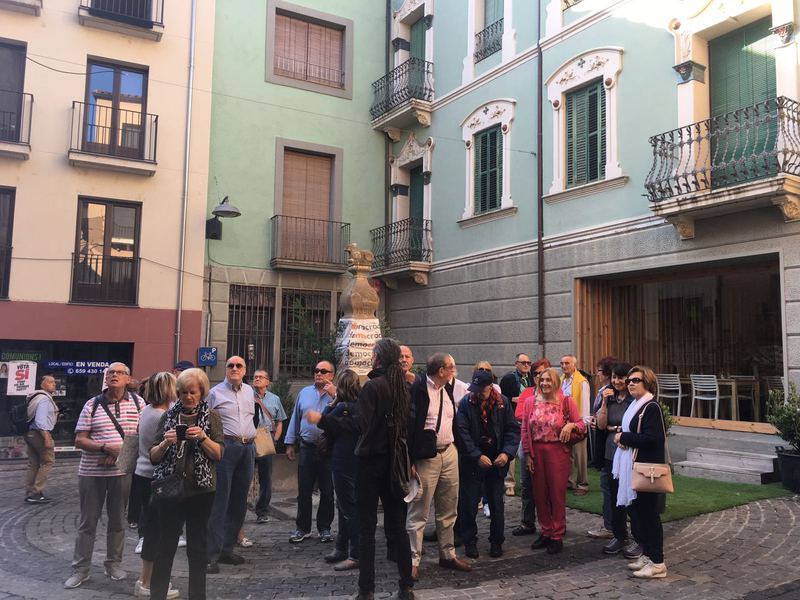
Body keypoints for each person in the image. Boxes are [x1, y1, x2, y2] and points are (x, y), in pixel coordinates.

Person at [64, 362, 142, 589]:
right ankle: (81, 569)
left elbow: (142, 436)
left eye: (119, 372)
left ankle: (113, 564)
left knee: (118, 520)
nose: (114, 375)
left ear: (128, 379)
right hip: (91, 472)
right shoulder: (92, 404)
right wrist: (105, 448)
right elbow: (80, 440)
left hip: (121, 471)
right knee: (87, 522)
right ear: (106, 379)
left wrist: (119, 454)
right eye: (110, 373)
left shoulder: (139, 403)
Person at [150, 368, 224, 599]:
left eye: (193, 392)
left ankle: (197, 596)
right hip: (170, 490)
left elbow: (218, 454)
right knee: (165, 545)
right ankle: (157, 595)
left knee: (197, 548)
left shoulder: (211, 417)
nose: (188, 397)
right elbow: (153, 457)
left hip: (201, 491)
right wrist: (165, 443)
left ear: (201, 392)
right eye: (183, 392)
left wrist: (203, 438)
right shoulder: (168, 417)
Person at [353, 338, 415, 600]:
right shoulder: (403, 386)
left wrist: (328, 420)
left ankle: (366, 590)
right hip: (395, 462)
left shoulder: (373, 387)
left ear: (378, 358)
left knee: (366, 529)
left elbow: (360, 425)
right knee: (398, 526)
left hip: (371, 463)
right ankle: (406, 586)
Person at [407, 353, 472, 580]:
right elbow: (408, 427)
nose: (454, 370)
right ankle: (412, 560)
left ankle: (447, 555)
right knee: (419, 510)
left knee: (448, 508)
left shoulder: (448, 388)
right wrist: (409, 460)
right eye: (451, 367)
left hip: (449, 452)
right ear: (441, 370)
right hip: (426, 457)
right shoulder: (418, 390)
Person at [522, 367, 585, 554]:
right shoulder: (530, 402)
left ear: (556, 382)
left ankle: (557, 534)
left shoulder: (566, 401)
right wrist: (528, 454)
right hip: (536, 451)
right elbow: (525, 429)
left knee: (556, 494)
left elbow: (581, 425)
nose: (544, 383)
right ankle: (546, 530)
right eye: (542, 380)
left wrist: (571, 425)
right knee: (539, 493)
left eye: (548, 380)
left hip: (558, 452)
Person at [456, 369, 519, 559]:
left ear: (491, 387)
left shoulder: (502, 403)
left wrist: (506, 453)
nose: (477, 393)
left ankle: (497, 541)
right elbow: (462, 432)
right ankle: (469, 541)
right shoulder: (466, 403)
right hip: (473, 462)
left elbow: (512, 430)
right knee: (468, 504)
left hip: (496, 460)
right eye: (475, 389)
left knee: (496, 504)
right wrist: (476, 455)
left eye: (481, 389)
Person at [613, 365, 668, 579]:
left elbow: (654, 439)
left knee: (649, 516)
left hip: (646, 470)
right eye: (629, 380)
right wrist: (623, 436)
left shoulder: (651, 407)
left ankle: (658, 563)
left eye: (636, 380)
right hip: (634, 467)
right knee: (640, 515)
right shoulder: (636, 405)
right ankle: (647, 555)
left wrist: (624, 437)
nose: (630, 384)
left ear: (648, 383)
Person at [205, 356, 256, 572]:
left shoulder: (249, 391)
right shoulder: (214, 393)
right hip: (225, 447)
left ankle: (227, 549)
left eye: (239, 366)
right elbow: (205, 422)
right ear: (225, 369)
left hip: (248, 448)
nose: (234, 368)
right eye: (230, 366)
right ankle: (211, 555)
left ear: (245, 370)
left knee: (239, 501)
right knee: (220, 501)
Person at [307, 369, 361, 571]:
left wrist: (334, 400)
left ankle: (355, 553)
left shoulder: (343, 408)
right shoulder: (359, 405)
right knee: (345, 506)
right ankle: (342, 547)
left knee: (348, 508)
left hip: (343, 460)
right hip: (354, 460)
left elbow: (325, 420)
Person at [133, 373, 180, 599]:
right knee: (156, 532)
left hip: (143, 473)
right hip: (156, 477)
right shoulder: (161, 415)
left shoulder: (147, 411)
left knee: (153, 529)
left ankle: (147, 579)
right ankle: (148, 582)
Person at [285, 360, 336, 543]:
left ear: (332, 375)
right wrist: (290, 442)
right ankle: (302, 528)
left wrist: (335, 395)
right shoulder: (305, 393)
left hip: (328, 449)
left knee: (327, 491)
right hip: (307, 447)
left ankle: (325, 528)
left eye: (323, 371)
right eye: (316, 370)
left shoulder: (336, 395)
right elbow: (295, 418)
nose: (319, 373)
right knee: (304, 489)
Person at [596, 362, 641, 558]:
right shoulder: (610, 398)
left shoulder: (634, 400)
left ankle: (639, 538)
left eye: (621, 377)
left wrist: (614, 429)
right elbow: (601, 425)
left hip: (629, 452)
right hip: (610, 452)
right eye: (614, 377)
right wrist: (604, 403)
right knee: (614, 496)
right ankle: (619, 535)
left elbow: (634, 426)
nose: (617, 381)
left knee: (632, 496)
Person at [586, 356, 618, 540]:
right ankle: (612, 525)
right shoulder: (603, 391)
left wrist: (601, 423)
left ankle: (611, 527)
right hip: (603, 442)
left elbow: (610, 418)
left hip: (609, 445)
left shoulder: (610, 393)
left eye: (599, 371)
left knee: (609, 486)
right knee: (607, 485)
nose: (596, 374)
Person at [252, 369, 287, 524]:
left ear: (268, 382)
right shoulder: (246, 396)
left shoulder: (275, 399)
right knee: (243, 476)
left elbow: (280, 421)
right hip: (248, 439)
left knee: (265, 479)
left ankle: (262, 511)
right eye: (255, 377)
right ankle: (238, 509)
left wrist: (275, 439)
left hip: (266, 439)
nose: (257, 379)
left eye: (261, 377)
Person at [499, 353, 535, 499]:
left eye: (528, 363)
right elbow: (500, 398)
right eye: (523, 362)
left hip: (528, 420)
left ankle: (525, 480)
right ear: (516, 364)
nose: (526, 365)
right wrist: (512, 399)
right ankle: (509, 484)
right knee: (511, 452)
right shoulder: (508, 379)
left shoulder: (531, 378)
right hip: (512, 419)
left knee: (526, 451)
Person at [23, 374, 59, 504]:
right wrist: (47, 437)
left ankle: (30, 491)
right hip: (39, 434)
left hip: (30, 433)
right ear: (42, 385)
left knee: (33, 463)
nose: (54, 384)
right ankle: (36, 492)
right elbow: (40, 420)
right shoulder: (44, 399)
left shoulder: (35, 397)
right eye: (50, 382)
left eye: (54, 382)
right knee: (48, 461)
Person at [559, 355, 590, 495]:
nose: (564, 366)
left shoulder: (582, 382)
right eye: (562, 363)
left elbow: (585, 405)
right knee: (568, 455)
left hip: (578, 423)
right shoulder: (560, 380)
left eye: (567, 363)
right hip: (564, 424)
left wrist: (583, 425)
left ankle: (583, 484)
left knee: (580, 456)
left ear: (574, 365)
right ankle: (569, 482)